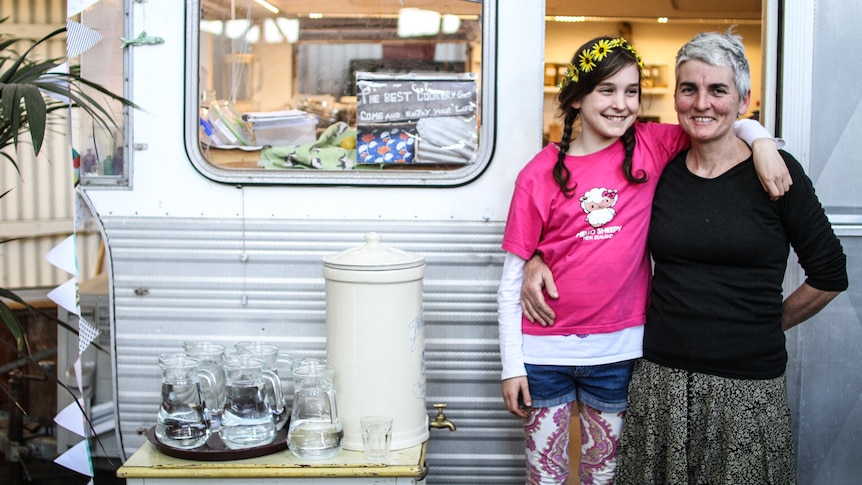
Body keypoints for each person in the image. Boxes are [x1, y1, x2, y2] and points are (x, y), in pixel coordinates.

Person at [522, 31, 849, 484]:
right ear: (675, 96)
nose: (702, 104)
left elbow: (830, 274)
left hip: (746, 390)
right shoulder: (660, 168)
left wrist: (767, 323)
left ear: (743, 99)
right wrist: (538, 257)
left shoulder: (776, 173)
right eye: (689, 89)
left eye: (718, 90)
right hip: (660, 384)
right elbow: (595, 228)